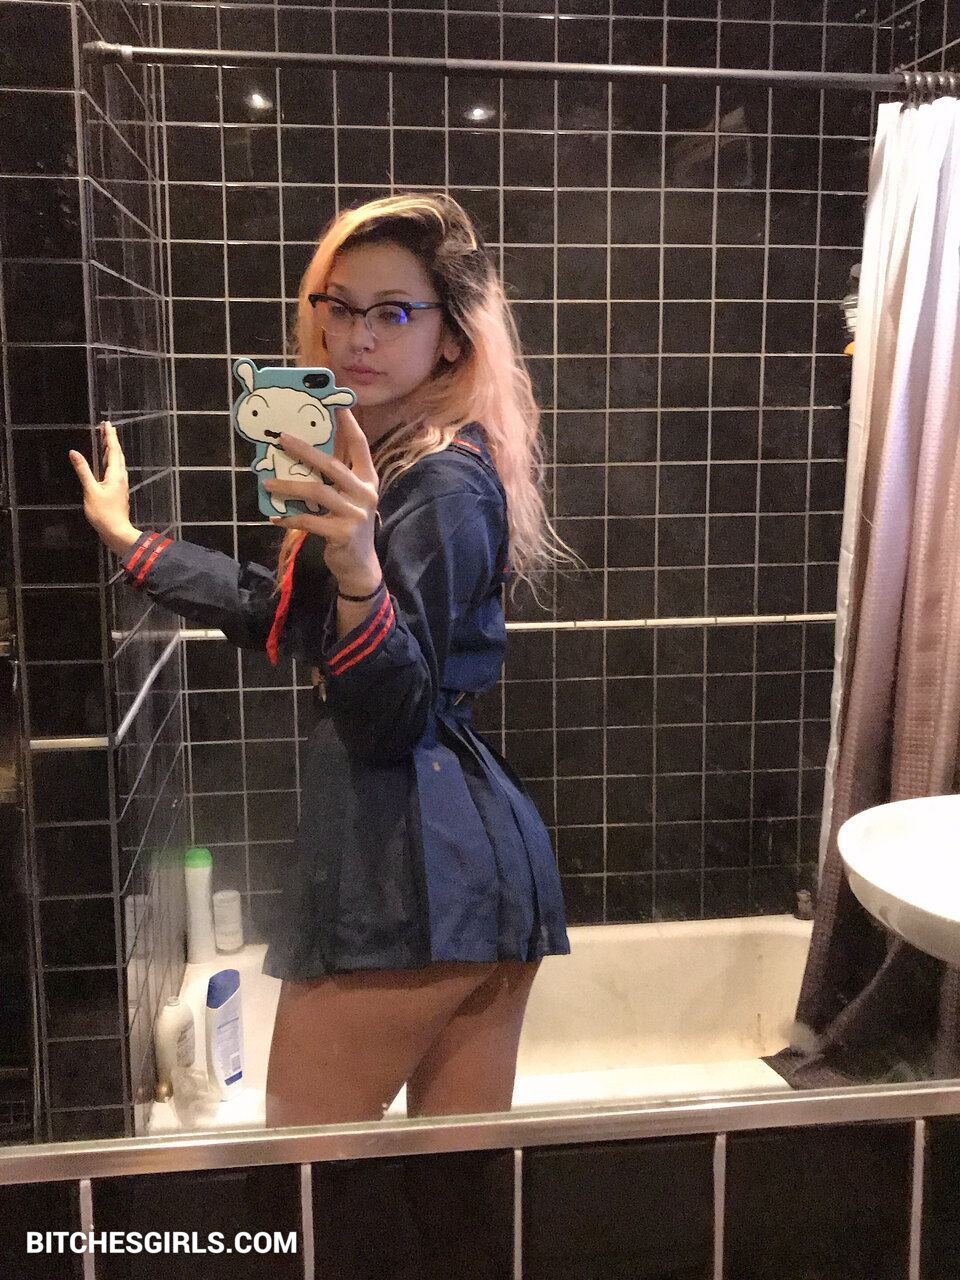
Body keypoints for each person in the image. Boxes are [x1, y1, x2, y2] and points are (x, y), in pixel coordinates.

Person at [70, 192, 571, 1127]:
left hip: (409, 873)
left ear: (452, 339)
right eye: (339, 306)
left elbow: (389, 720)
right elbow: (285, 616)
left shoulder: (440, 484)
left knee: (302, 1175)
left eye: (395, 313)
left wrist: (359, 570)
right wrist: (134, 543)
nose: (357, 337)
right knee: (454, 1189)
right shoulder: (381, 464)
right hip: (460, 866)